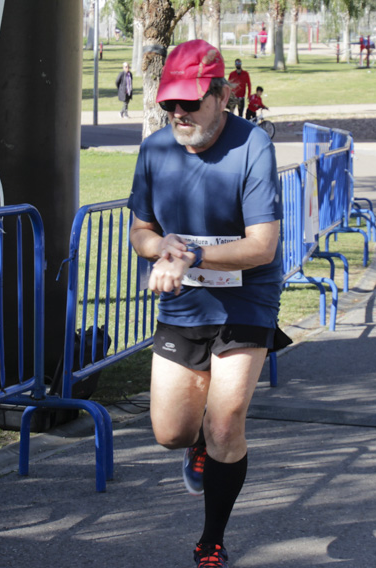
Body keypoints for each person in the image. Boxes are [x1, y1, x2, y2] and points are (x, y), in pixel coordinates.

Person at [127, 39, 289, 568]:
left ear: (221, 95)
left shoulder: (252, 146)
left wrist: (193, 251)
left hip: (247, 298)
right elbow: (141, 231)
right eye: (169, 103)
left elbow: (262, 245)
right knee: (171, 431)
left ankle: (211, 539)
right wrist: (161, 249)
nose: (178, 113)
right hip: (185, 302)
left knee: (226, 422)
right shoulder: (154, 149)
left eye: (190, 103)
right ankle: (196, 442)